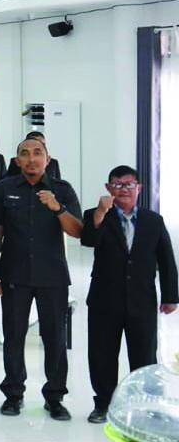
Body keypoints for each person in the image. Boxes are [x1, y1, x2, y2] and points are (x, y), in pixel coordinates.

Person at [0, 138, 83, 421]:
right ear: (17, 160)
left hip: (52, 275)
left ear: (47, 158)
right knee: (14, 336)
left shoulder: (62, 189)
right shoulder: (4, 189)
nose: (31, 159)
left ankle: (55, 397)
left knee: (54, 338)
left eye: (37, 153)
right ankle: (13, 394)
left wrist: (57, 207)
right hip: (14, 274)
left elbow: (77, 231)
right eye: (24, 154)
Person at [81, 165, 178, 423]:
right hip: (104, 300)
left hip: (141, 300)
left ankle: (144, 405)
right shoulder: (96, 215)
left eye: (129, 184)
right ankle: (103, 404)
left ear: (139, 189)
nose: (124, 189)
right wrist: (101, 212)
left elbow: (167, 260)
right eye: (118, 184)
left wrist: (170, 295)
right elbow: (89, 240)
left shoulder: (153, 220)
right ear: (108, 188)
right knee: (102, 355)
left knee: (144, 356)